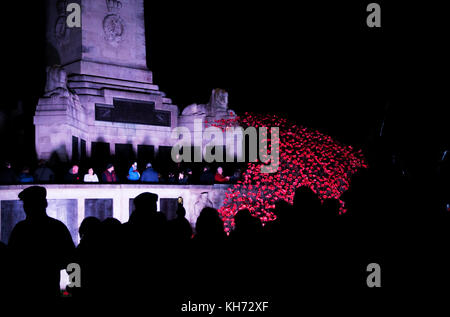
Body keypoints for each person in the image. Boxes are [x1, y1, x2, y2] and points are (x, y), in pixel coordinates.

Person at [8, 186, 75, 298]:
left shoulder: (20, 230)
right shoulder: (57, 228)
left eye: (26, 204)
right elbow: (72, 261)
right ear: (45, 204)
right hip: (49, 292)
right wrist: (75, 286)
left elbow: (11, 263)